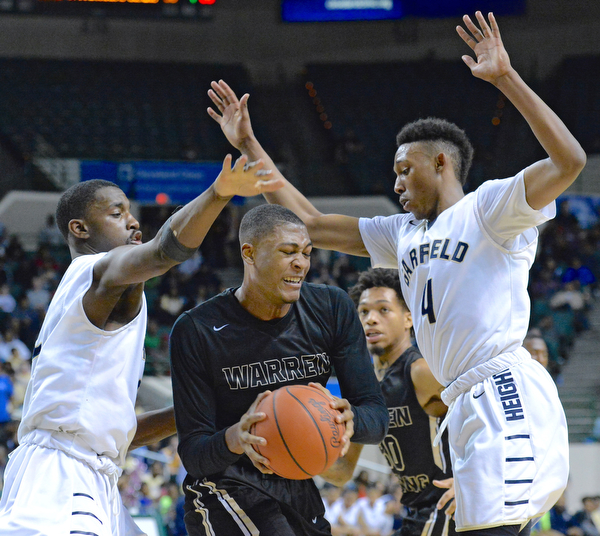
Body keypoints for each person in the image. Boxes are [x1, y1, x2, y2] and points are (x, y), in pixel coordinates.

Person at [206, 11, 586, 534]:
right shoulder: (402, 232)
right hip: (460, 404)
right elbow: (311, 223)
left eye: (406, 169)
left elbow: (569, 161)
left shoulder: (488, 208)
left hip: (501, 389)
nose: (398, 181)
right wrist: (249, 144)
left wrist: (504, 78)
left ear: (441, 165)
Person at [0, 154, 283, 535]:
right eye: (117, 214)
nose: (133, 220)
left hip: (90, 474)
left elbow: (120, 434)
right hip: (61, 477)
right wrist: (219, 193)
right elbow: (164, 251)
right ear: (79, 229)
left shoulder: (98, 294)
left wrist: (209, 408)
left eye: (129, 211)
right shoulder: (95, 271)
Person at [169, 203, 388, 535]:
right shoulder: (197, 329)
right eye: (288, 252)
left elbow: (377, 416)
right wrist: (236, 437)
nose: (300, 263)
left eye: (306, 252)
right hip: (223, 485)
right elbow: (194, 454)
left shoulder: (331, 308)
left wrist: (350, 419)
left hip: (296, 482)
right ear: (250, 253)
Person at [321, 268, 456, 536]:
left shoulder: (420, 371)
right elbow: (343, 471)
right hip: (417, 511)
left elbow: (489, 412)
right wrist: (298, 457)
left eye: (383, 310)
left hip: (448, 508)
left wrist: (474, 478)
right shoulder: (363, 390)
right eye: (364, 312)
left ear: (408, 318)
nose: (371, 319)